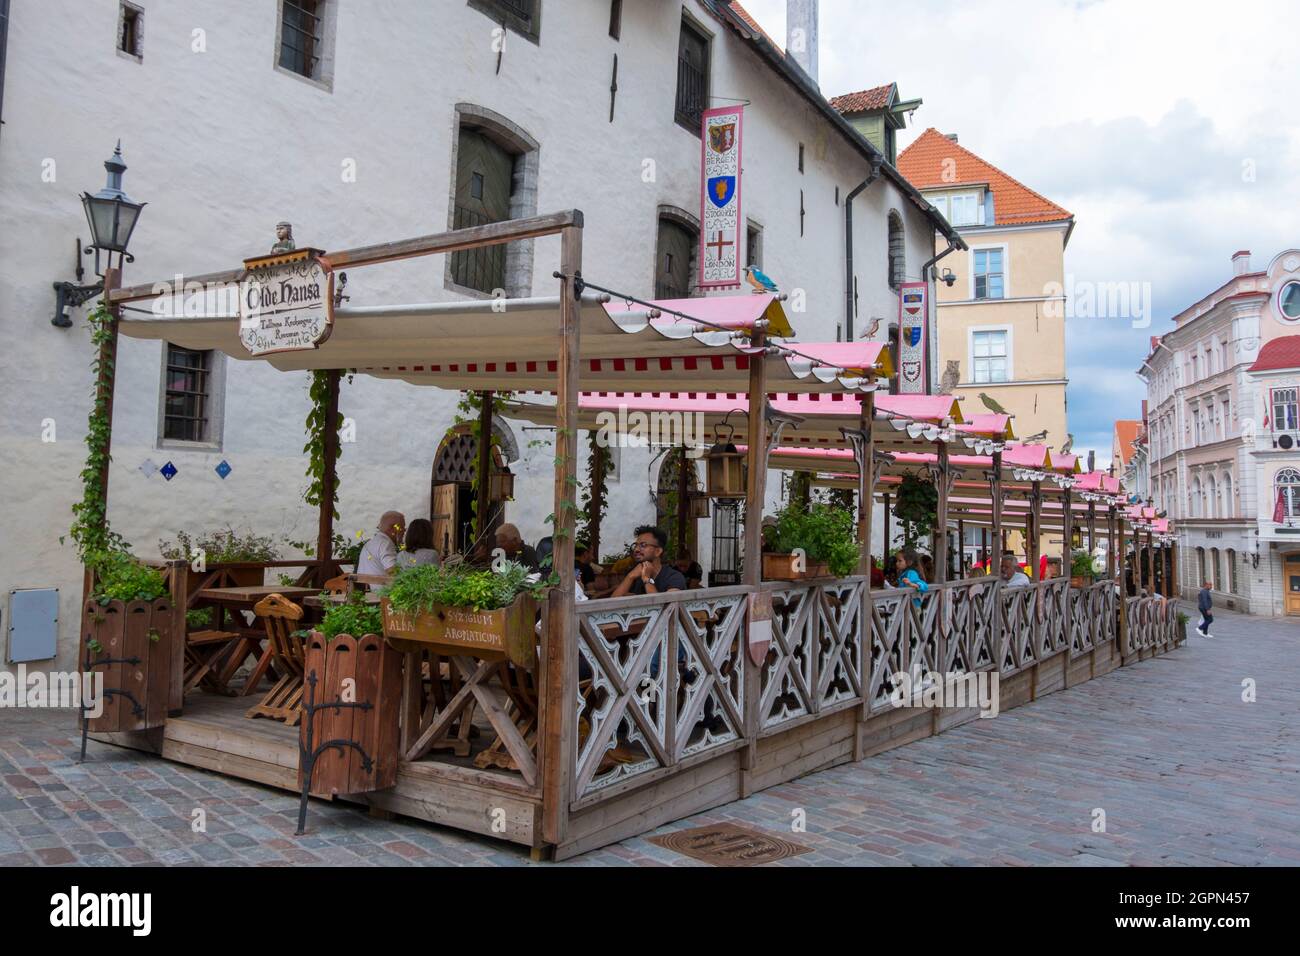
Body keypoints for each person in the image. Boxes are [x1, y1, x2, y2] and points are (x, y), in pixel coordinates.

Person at [612, 526, 686, 597]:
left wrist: (647, 579)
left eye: (643, 545)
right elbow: (612, 605)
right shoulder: (635, 574)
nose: (636, 549)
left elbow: (665, 608)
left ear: (658, 551)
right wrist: (630, 577)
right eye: (635, 545)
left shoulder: (674, 577)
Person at [356, 511, 405, 575]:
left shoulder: (369, 544)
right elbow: (393, 572)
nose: (404, 530)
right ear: (393, 528)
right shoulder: (386, 544)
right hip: (381, 584)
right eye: (402, 527)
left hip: (366, 584)